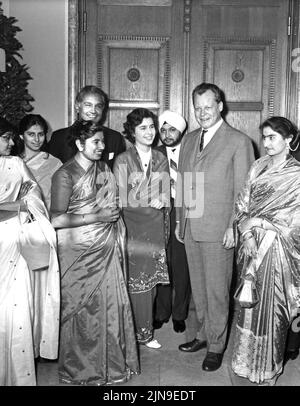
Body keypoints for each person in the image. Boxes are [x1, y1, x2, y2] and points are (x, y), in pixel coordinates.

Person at [50, 120, 139, 385]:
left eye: (102, 141)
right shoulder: (64, 175)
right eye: (96, 142)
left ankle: (110, 366)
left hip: (106, 248)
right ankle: (81, 369)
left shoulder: (102, 169)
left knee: (109, 307)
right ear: (79, 144)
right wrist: (96, 216)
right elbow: (56, 219)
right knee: (82, 309)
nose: (102, 146)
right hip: (77, 252)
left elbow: (110, 203)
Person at [176, 82, 254, 371]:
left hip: (220, 228)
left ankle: (217, 345)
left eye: (208, 106)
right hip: (191, 226)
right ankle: (201, 335)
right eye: (198, 108)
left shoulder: (238, 141)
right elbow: (183, 183)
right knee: (198, 288)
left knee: (218, 290)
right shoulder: (188, 139)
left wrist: (234, 227)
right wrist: (179, 220)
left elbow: (243, 192)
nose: (203, 112)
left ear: (220, 106)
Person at [231, 116, 300, 385]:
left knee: (272, 310)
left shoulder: (296, 174)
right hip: (250, 248)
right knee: (249, 304)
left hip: (277, 249)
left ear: (289, 140)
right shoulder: (257, 166)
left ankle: (268, 368)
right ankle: (247, 364)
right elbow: (242, 204)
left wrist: (260, 222)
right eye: (265, 137)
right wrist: (246, 231)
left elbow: (296, 220)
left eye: (273, 137)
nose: (267, 143)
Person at [0, 118, 60, 386]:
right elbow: (20, 202)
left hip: (16, 241)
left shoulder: (16, 164)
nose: (12, 143)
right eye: (5, 138)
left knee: (17, 307)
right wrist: (15, 203)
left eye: (12, 137)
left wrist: (12, 206)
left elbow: (33, 202)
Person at [113, 108, 170, 349]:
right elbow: (120, 197)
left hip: (156, 229)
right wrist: (150, 202)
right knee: (134, 283)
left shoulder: (160, 159)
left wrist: (163, 198)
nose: (149, 132)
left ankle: (145, 333)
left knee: (151, 284)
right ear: (132, 132)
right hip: (133, 229)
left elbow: (165, 191)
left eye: (151, 127)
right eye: (143, 128)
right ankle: (132, 333)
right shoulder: (123, 160)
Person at [153, 110, 191, 333]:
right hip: (159, 214)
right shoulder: (154, 153)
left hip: (184, 212)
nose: (167, 134)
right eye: (163, 130)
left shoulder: (191, 153)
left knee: (182, 268)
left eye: (172, 130)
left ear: (181, 132)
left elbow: (197, 187)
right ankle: (161, 312)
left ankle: (180, 314)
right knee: (162, 265)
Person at [48, 85, 126, 169]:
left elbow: (121, 173)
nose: (93, 111)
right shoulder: (59, 137)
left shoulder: (115, 138)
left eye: (98, 106)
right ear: (77, 106)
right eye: (88, 105)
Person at [16, 114, 62, 210]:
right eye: (31, 134)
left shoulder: (54, 163)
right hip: (13, 217)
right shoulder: (12, 163)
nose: (37, 139)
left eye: (40, 134)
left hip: (44, 217)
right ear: (21, 136)